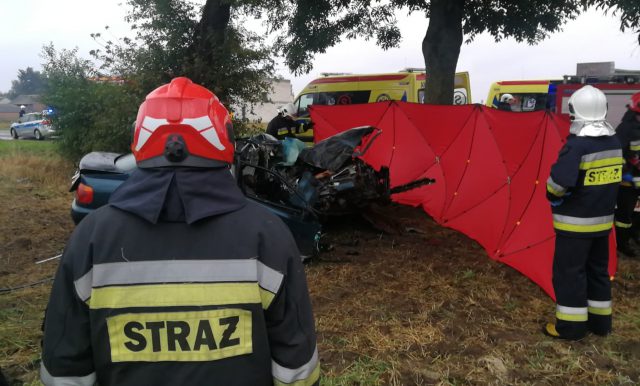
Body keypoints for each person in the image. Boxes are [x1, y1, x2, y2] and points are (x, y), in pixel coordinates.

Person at [40, 77, 320, 386]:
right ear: (223, 139)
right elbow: (297, 368)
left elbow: (66, 368)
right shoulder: (268, 234)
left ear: (140, 139)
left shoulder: (90, 238)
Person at [544, 85, 623, 340]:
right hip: (603, 225)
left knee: (569, 274)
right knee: (598, 272)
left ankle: (570, 328)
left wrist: (552, 195)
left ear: (575, 111)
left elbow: (558, 183)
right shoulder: (614, 142)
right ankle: (600, 325)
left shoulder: (577, 146)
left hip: (575, 226)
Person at [614, 91, 640, 257]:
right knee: (624, 215)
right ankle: (622, 244)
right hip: (627, 183)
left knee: (636, 214)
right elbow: (617, 155)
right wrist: (626, 173)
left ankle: (634, 236)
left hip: (637, 179)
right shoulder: (625, 129)